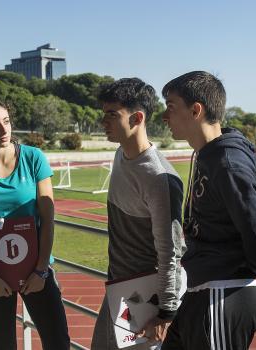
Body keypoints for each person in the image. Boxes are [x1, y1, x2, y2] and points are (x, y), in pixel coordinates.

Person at [160, 71, 256, 350]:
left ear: (196, 110)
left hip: (223, 295)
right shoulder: (206, 155)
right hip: (199, 292)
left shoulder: (228, 164)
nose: (165, 117)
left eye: (170, 108)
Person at [0, 96, 69, 350]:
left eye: (6, 121)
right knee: (3, 345)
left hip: (38, 271)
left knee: (58, 342)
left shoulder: (33, 158)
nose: (4, 130)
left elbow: (48, 219)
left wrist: (41, 270)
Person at [91, 78, 186, 350]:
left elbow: (171, 251)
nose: (103, 121)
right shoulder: (120, 155)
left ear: (137, 118)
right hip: (118, 290)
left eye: (112, 114)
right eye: (104, 113)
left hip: (146, 301)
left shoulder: (160, 178)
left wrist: (166, 313)